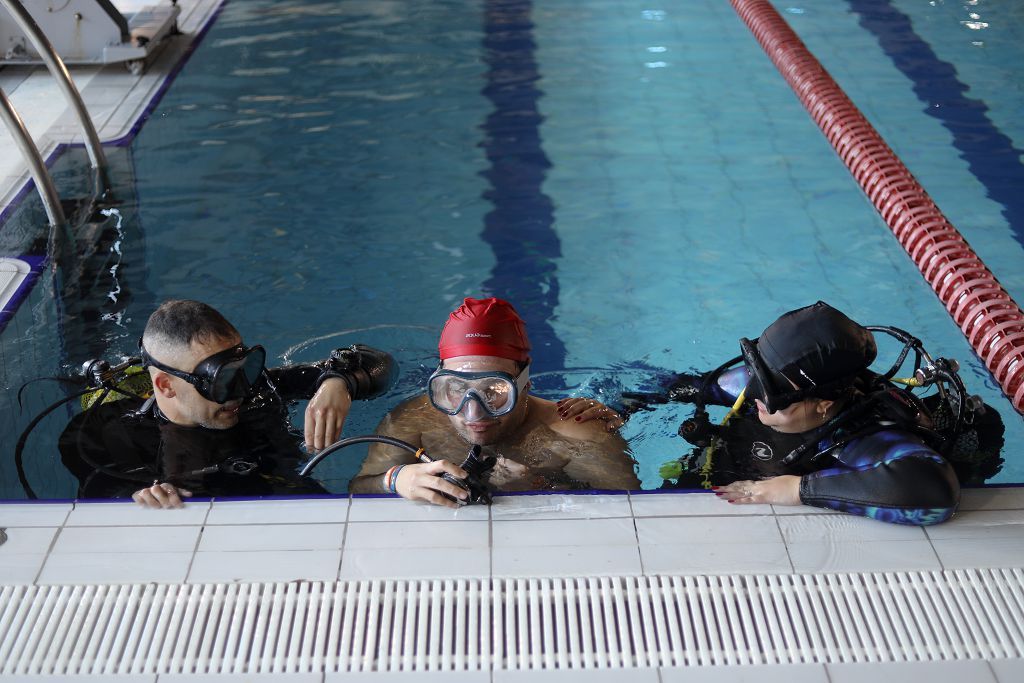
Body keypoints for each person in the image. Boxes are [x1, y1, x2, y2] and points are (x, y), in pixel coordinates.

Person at [601, 302, 1002, 526]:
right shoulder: (764, 384)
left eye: (772, 391)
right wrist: (611, 405)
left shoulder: (866, 438)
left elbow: (931, 493)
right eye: (758, 375)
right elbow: (645, 380)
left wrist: (797, 489)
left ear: (824, 405)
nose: (755, 393)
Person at [59, 299, 397, 508]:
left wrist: (338, 381)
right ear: (166, 385)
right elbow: (96, 500)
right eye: (220, 379)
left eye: (244, 368)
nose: (239, 391)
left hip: (279, 493)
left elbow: (381, 364)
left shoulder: (259, 389)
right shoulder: (104, 432)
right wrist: (132, 499)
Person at [349, 297, 640, 506]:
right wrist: (394, 480)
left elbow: (630, 517)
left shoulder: (577, 432)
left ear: (525, 380)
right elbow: (355, 490)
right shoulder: (414, 419)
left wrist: (540, 489)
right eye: (455, 388)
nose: (472, 412)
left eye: (494, 389)